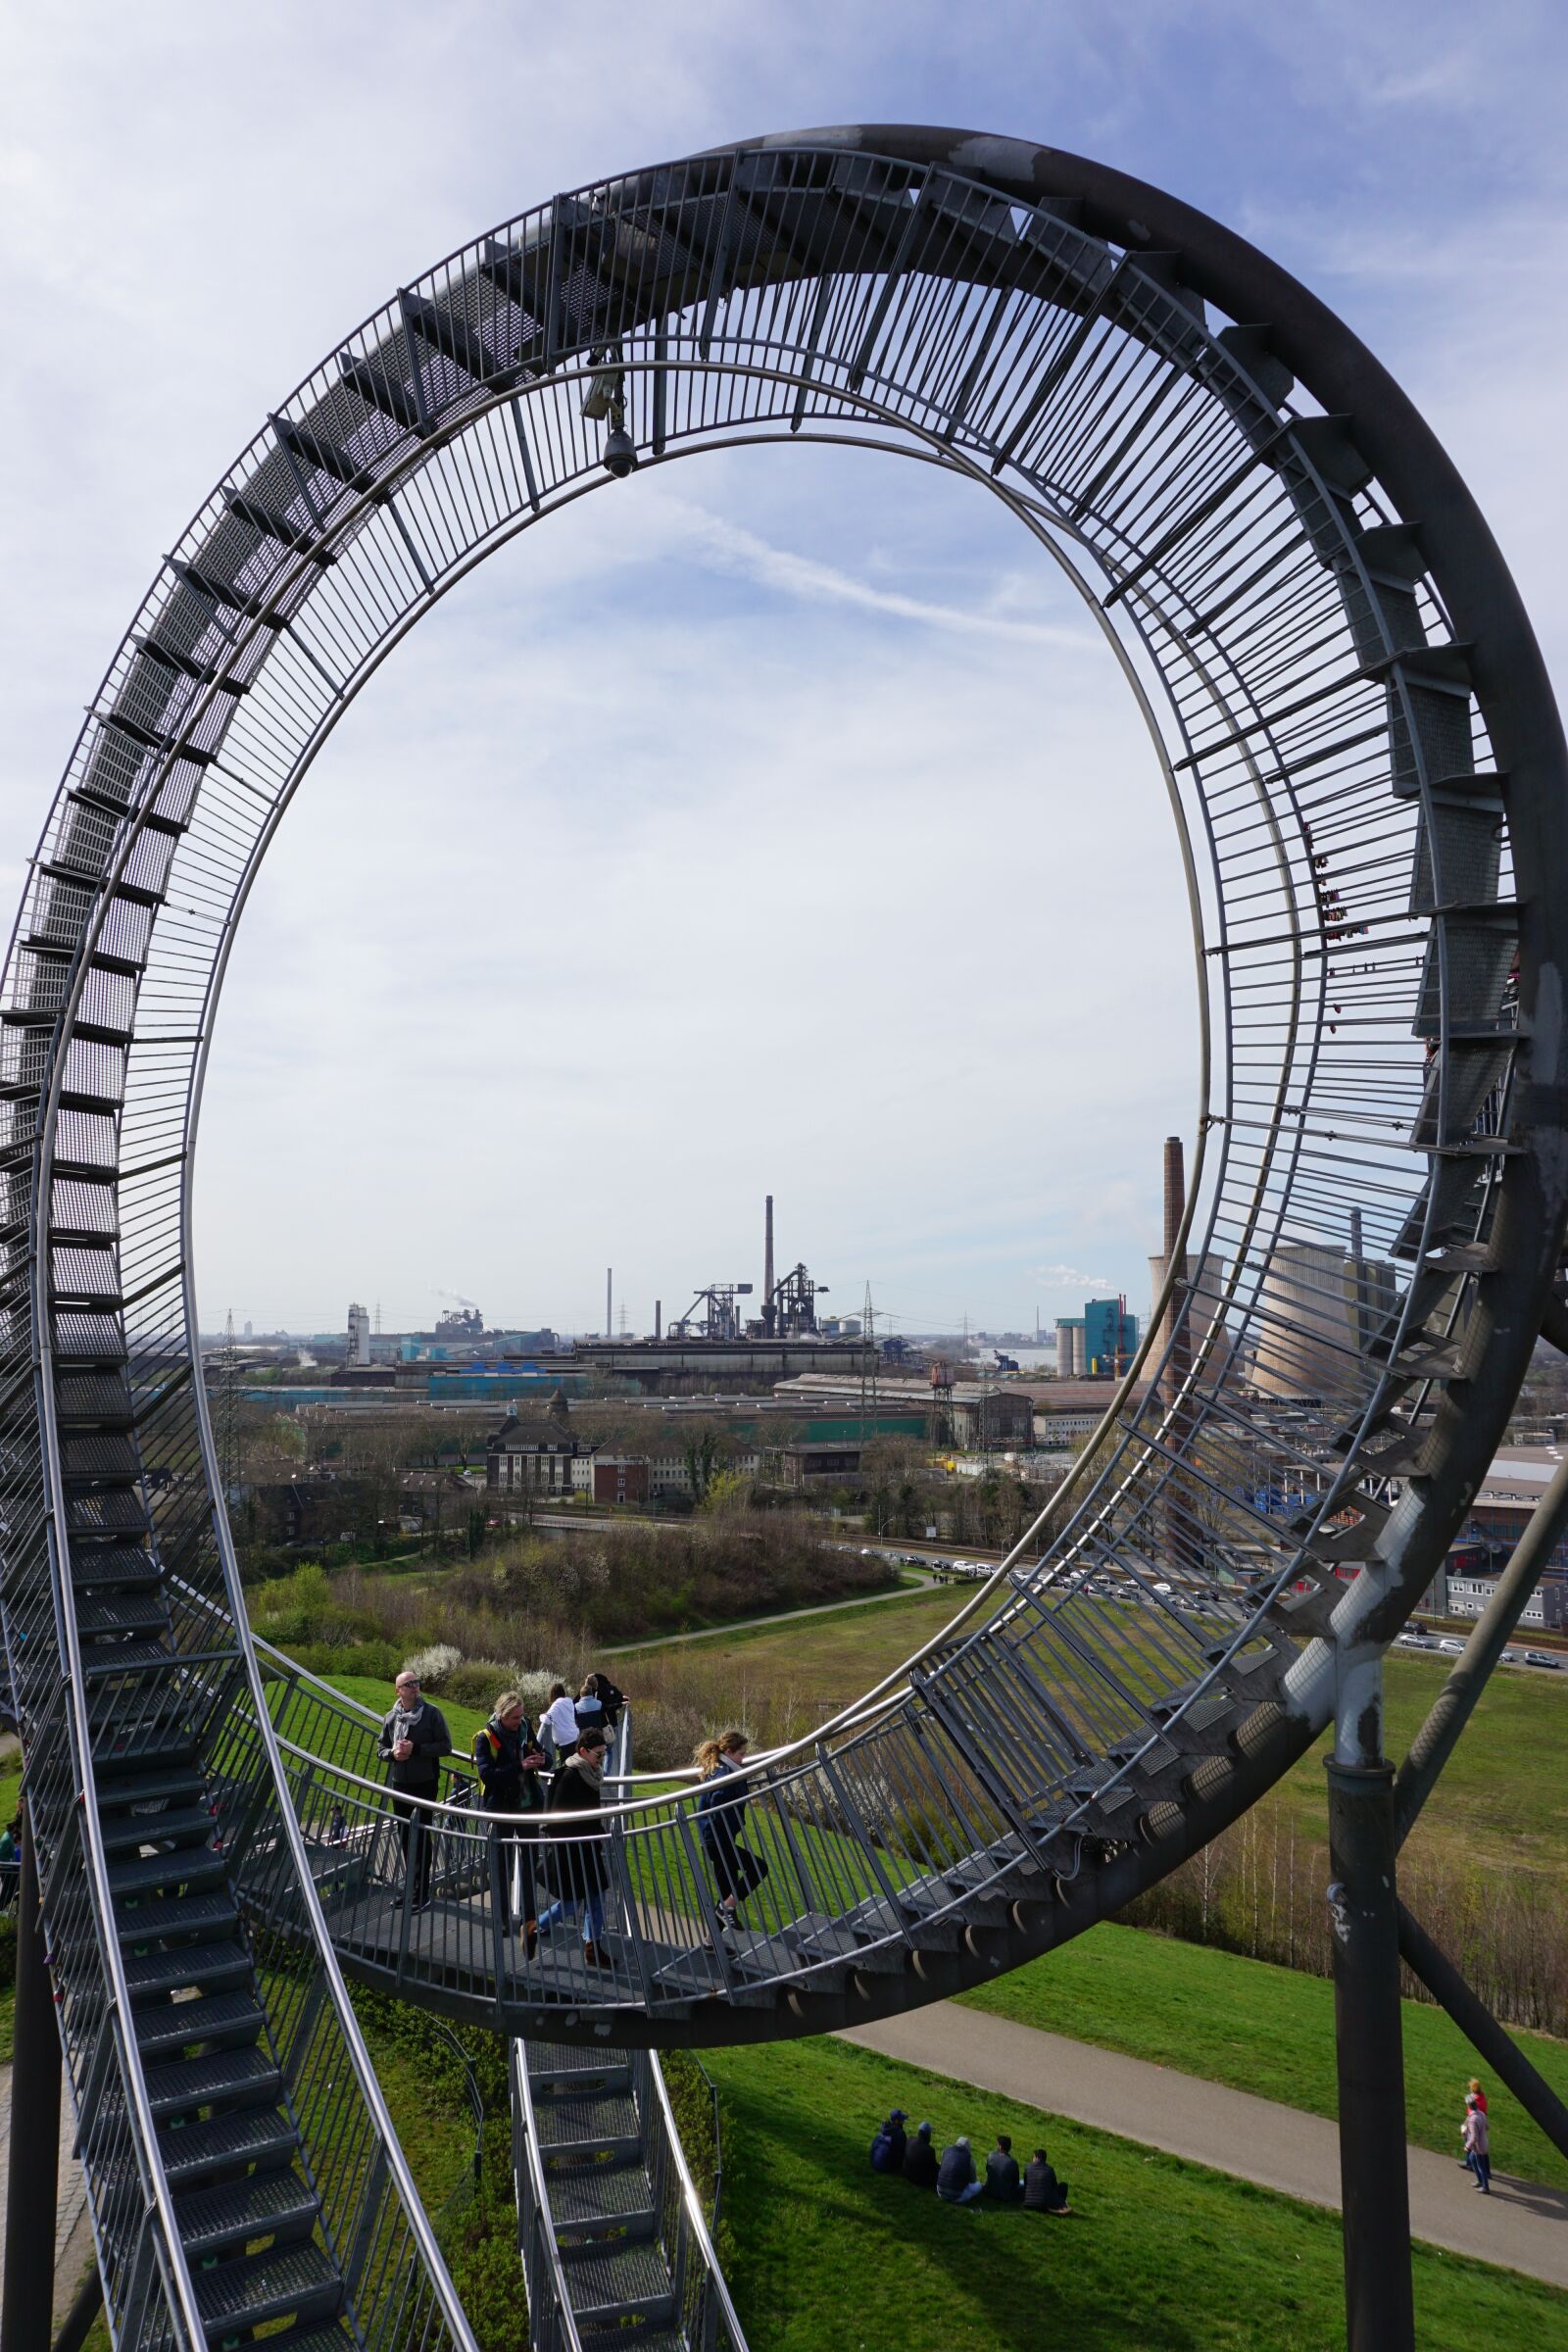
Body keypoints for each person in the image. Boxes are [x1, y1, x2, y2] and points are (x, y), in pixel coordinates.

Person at [473, 1690, 546, 1957]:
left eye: (521, 1715)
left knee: (528, 1865)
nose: (519, 1720)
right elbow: (487, 1775)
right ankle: (502, 1919)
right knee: (501, 1867)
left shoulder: (526, 1727)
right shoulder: (486, 1738)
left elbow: (542, 1752)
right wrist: (521, 1766)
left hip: (527, 1808)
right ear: (502, 1716)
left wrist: (542, 1759)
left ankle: (529, 1922)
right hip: (501, 1810)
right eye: (515, 1717)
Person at [376, 1669, 453, 1909]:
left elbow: (445, 1746)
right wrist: (393, 1754)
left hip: (425, 1782)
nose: (414, 1686)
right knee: (406, 1835)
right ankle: (411, 1888)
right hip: (400, 1784)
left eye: (416, 1682)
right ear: (398, 1690)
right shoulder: (391, 1717)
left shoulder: (431, 1714)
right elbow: (381, 1748)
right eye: (408, 1684)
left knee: (421, 1835)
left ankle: (423, 1891)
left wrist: (416, 1750)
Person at [537, 1728, 612, 1966]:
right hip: (572, 1851)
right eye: (598, 1755)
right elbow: (555, 1819)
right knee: (573, 1903)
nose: (601, 1759)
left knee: (594, 1898)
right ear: (583, 1752)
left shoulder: (591, 1773)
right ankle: (535, 1926)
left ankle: (592, 1947)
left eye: (604, 1754)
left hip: (587, 1848)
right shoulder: (569, 1776)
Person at [695, 1730, 768, 1940]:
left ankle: (711, 1942)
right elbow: (718, 1804)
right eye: (741, 1754)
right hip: (718, 1839)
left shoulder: (722, 1769)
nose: (744, 1759)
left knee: (726, 1893)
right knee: (758, 1867)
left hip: (716, 1838)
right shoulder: (725, 1774)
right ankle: (726, 1909)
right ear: (728, 1751)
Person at [540, 1681, 579, 1768]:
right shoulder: (569, 1702)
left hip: (566, 1742)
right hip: (574, 1737)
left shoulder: (557, 1704)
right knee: (575, 1765)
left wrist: (541, 1716)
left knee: (567, 1768)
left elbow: (546, 1719)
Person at [936, 2134, 983, 2206]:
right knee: (978, 2185)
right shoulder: (969, 2159)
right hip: (956, 2196)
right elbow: (973, 2181)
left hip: (939, 2191)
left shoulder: (946, 2151)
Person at [1022, 2146, 1071, 2214]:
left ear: (1036, 2157)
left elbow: (1026, 2184)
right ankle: (1061, 2205)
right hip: (1044, 2204)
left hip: (1028, 2202)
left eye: (1033, 2157)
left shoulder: (1028, 2167)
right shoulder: (1049, 2170)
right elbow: (1054, 2187)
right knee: (1063, 2186)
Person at [1462, 2094, 1492, 2193]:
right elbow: (1487, 2127)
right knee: (1472, 2159)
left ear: (1469, 2106)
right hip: (1484, 2143)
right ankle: (1480, 2181)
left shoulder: (1472, 2120)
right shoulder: (1482, 2114)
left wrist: (1467, 2146)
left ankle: (1485, 2187)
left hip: (1478, 2147)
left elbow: (1474, 2137)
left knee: (1480, 2166)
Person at [984, 2132, 1022, 2204]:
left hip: (989, 2191)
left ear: (1000, 2146)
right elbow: (1015, 2182)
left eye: (997, 2144)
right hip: (1005, 2196)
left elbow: (988, 2171)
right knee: (1022, 2183)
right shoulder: (1012, 2162)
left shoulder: (991, 2156)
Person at [870, 2109, 908, 2175]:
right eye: (902, 2120)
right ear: (896, 2121)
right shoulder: (900, 2133)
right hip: (884, 2166)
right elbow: (901, 2152)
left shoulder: (884, 2128)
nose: (903, 2121)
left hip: (874, 2161)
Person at [903, 2121, 939, 2189]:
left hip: (905, 2173)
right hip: (919, 2180)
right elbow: (933, 2168)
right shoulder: (929, 2150)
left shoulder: (910, 2139)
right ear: (928, 2135)